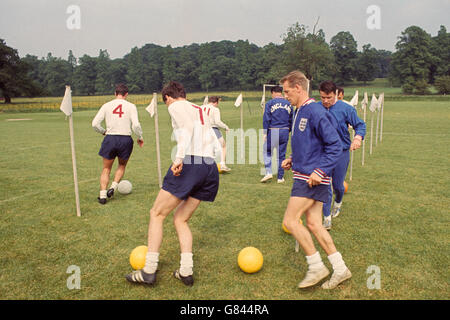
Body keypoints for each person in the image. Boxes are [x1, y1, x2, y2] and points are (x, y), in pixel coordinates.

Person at [125, 81, 219, 287]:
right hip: (209, 167)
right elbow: (213, 140)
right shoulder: (200, 108)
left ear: (168, 97)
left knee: (156, 214)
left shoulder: (175, 106)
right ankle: (186, 271)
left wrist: (179, 158)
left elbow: (185, 129)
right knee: (180, 219)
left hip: (191, 163)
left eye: (165, 102)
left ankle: (149, 270)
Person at [280, 70, 352, 290]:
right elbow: (311, 143)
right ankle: (340, 269)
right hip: (307, 173)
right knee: (314, 224)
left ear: (298, 88)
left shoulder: (315, 111)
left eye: (287, 91)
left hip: (310, 179)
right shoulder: (300, 110)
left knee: (291, 221)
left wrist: (320, 171)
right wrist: (293, 157)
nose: (285, 96)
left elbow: (335, 145)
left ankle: (316, 266)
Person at [318, 81, 366, 230]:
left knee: (338, 186)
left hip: (341, 152)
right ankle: (326, 218)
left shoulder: (346, 109)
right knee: (324, 185)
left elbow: (360, 125)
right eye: (322, 97)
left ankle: (338, 203)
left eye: (329, 97)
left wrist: (357, 138)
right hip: (323, 153)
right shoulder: (316, 108)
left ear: (337, 95)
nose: (326, 101)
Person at [92, 83, 144, 205]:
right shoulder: (131, 106)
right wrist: (140, 136)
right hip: (126, 139)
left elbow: (94, 124)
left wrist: (103, 132)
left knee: (106, 168)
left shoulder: (106, 105)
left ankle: (103, 195)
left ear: (115, 93)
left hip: (110, 138)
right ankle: (113, 187)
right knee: (121, 166)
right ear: (126, 94)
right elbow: (136, 125)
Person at [261, 85, 293, 183]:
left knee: (267, 151)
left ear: (273, 93)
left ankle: (269, 172)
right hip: (285, 131)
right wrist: (289, 130)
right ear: (281, 92)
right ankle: (280, 177)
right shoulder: (289, 103)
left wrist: (265, 132)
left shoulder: (270, 103)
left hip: (273, 130)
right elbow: (292, 118)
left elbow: (266, 118)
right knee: (281, 155)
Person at [202, 96, 231, 172]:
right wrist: (226, 127)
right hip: (213, 129)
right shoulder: (215, 109)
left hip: (202, 130)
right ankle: (222, 165)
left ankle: (206, 167)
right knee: (223, 146)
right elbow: (217, 122)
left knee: (207, 148)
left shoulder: (201, 107)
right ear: (216, 102)